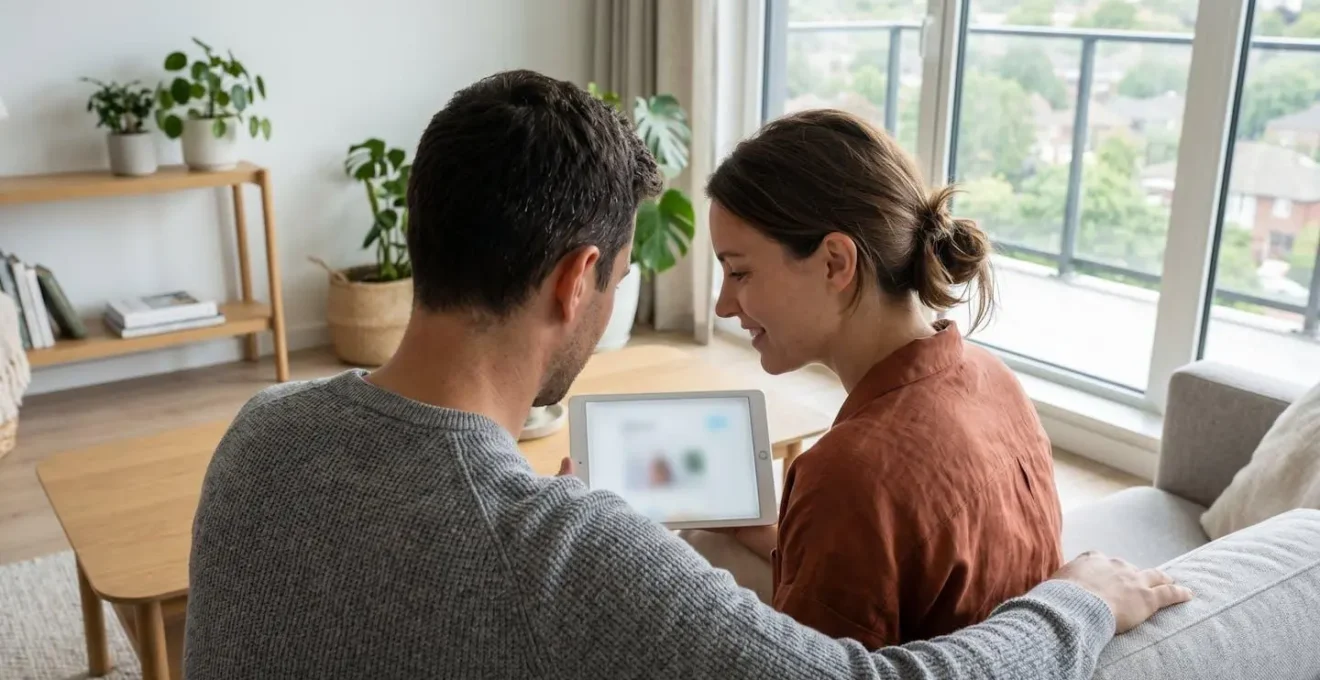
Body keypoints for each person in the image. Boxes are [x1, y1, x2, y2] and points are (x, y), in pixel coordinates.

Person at [184, 69, 1191, 679]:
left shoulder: (257, 433)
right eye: (626, 275)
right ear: (581, 279)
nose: (717, 303)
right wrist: (1081, 600)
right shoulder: (574, 555)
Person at [698, 108, 1066, 649]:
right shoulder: (994, 378)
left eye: (740, 272)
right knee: (706, 538)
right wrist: (770, 537)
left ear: (834, 263)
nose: (725, 305)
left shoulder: (848, 472)